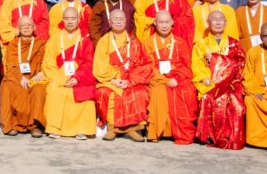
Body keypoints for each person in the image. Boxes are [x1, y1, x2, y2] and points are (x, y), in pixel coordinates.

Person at [94, 8, 153, 141]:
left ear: (126, 21)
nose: (119, 21)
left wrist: (130, 80)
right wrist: (115, 79)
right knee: (105, 93)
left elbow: (143, 64)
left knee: (139, 92)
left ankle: (134, 128)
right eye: (116, 19)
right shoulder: (104, 41)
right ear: (110, 22)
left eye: (121, 19)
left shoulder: (134, 41)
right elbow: (100, 66)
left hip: (130, 79)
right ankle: (112, 128)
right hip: (111, 80)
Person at [193, 10, 247, 149]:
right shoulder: (201, 43)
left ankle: (231, 135)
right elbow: (197, 64)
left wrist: (215, 59)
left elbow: (240, 64)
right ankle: (208, 135)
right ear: (208, 23)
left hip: (230, 83)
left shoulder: (234, 43)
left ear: (225, 22)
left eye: (221, 19)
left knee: (235, 102)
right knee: (207, 97)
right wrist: (204, 78)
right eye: (214, 19)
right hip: (210, 82)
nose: (217, 22)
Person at [143, 10, 197, 145]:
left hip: (177, 78)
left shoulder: (180, 42)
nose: (164, 25)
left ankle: (179, 132)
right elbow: (147, 66)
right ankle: (156, 132)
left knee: (186, 91)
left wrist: (177, 79)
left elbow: (186, 66)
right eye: (161, 22)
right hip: (157, 79)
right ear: (155, 23)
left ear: (172, 22)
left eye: (167, 22)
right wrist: (165, 80)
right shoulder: (148, 42)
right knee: (158, 92)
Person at [42, 7, 97, 139]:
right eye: (67, 18)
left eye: (73, 18)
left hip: (79, 78)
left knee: (85, 95)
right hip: (59, 79)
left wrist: (77, 78)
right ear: (62, 20)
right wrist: (61, 79)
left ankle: (81, 130)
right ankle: (55, 128)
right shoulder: (54, 39)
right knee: (54, 91)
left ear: (78, 20)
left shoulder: (85, 39)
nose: (70, 21)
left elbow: (88, 63)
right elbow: (48, 64)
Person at [0, 15, 48, 137]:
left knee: (39, 89)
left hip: (35, 77)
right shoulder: (13, 44)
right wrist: (20, 77)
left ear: (34, 27)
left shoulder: (41, 44)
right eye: (23, 25)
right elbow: (10, 64)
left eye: (29, 25)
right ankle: (12, 125)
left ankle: (35, 126)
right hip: (16, 76)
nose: (26, 27)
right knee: (7, 87)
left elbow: (45, 61)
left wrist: (41, 72)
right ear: (18, 28)